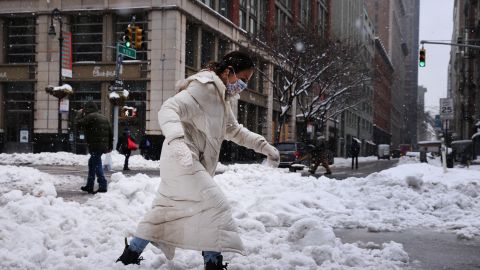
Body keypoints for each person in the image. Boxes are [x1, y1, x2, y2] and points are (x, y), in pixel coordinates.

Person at [116, 51, 280, 269]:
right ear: (229, 71)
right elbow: (169, 108)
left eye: (246, 81)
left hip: (188, 162)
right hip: (181, 159)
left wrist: (264, 146)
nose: (243, 85)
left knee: (163, 212)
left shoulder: (221, 97)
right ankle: (213, 263)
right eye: (242, 79)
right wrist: (177, 140)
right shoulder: (204, 87)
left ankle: (129, 256)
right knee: (215, 206)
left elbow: (233, 130)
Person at [76, 101, 113, 193]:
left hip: (95, 145)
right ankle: (89, 185)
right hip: (102, 145)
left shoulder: (90, 116)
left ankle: (103, 184)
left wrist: (79, 114)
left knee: (96, 163)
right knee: (92, 162)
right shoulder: (104, 117)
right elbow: (110, 133)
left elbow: (78, 124)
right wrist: (109, 146)